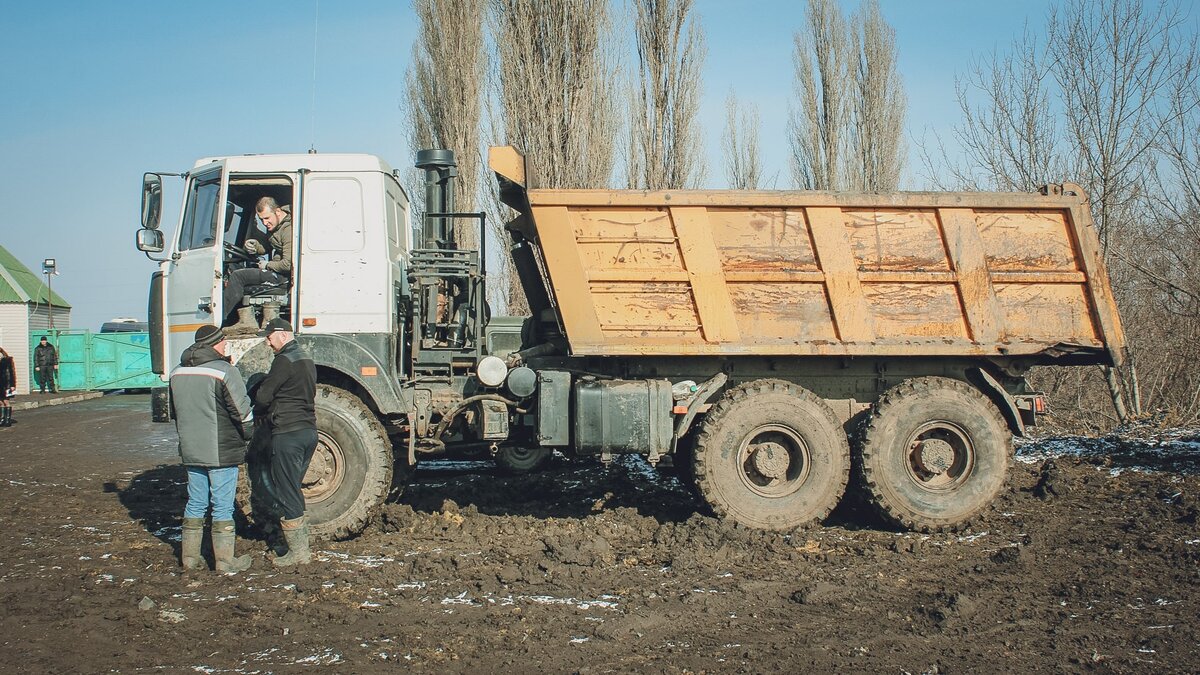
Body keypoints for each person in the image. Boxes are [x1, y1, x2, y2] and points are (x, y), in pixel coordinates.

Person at [168, 325, 255, 573]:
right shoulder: (224, 371)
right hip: (220, 450)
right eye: (223, 341)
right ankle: (226, 562)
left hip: (191, 449)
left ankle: (190, 560)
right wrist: (249, 436)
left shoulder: (177, 372)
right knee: (222, 505)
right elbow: (242, 413)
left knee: (195, 503)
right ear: (214, 344)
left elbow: (175, 413)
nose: (226, 344)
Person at [254, 318, 317, 566]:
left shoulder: (283, 360)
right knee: (293, 488)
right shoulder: (306, 358)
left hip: (288, 434)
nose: (268, 343)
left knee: (287, 490)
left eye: (269, 338)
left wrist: (261, 408)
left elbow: (263, 395)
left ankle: (299, 554)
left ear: (282, 335)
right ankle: (301, 548)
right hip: (309, 432)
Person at [222, 197, 294, 334]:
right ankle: (244, 319)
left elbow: (287, 264)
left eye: (267, 218)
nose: (265, 223)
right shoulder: (276, 225)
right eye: (261, 220)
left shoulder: (288, 230)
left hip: (282, 277)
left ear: (277, 211)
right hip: (277, 272)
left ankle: (224, 321)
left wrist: (267, 265)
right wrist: (255, 246)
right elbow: (267, 246)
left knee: (238, 276)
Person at [0, 347, 16, 427]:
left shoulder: (7, 360)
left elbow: (11, 373)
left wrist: (12, 385)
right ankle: (2, 419)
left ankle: (8, 419)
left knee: (6, 401)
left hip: (6, 384)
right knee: (0, 402)